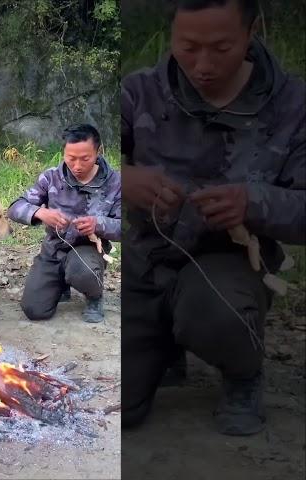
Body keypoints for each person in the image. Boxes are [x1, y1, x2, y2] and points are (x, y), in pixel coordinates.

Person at [121, 0, 305, 435]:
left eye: (221, 48)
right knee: (119, 409)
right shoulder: (138, 93)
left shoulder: (293, 104)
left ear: (252, 31)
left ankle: (243, 375)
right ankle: (162, 349)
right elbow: (80, 167)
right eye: (188, 47)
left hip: (229, 263)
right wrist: (124, 181)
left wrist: (253, 203)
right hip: (147, 256)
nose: (203, 65)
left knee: (218, 313)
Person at [8, 123, 121, 323]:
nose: (77, 166)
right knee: (34, 310)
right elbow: (15, 207)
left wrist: (99, 224)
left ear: (98, 152)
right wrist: (40, 212)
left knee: (82, 269)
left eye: (85, 159)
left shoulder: (115, 182)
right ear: (64, 153)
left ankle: (94, 296)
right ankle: (61, 285)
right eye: (71, 158)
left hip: (88, 250)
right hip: (54, 250)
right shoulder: (51, 177)